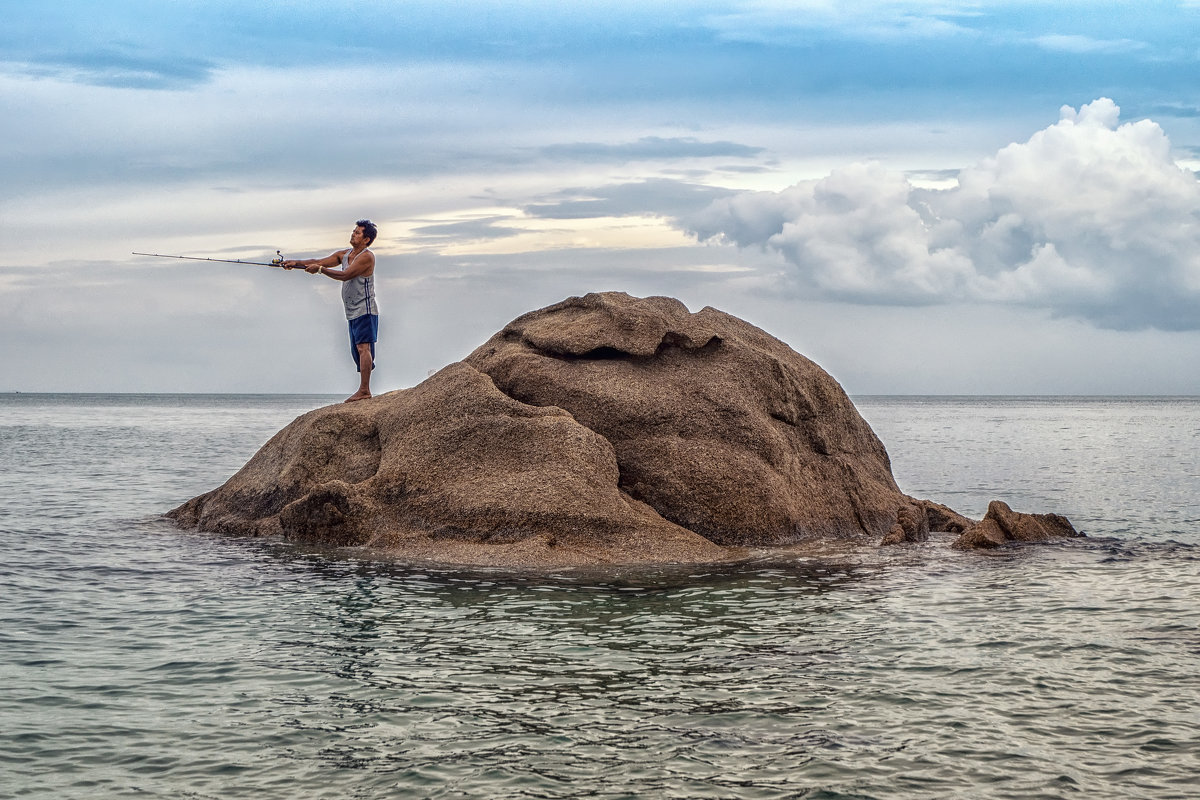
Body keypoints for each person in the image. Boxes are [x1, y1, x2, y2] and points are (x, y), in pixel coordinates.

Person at [283, 220, 379, 402]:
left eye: (358, 233)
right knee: (357, 351)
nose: (353, 234)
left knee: (363, 347)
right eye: (354, 231)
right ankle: (364, 388)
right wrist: (295, 263)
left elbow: (345, 275)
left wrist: (320, 270)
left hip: (365, 308)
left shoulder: (367, 257)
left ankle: (365, 390)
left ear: (366, 239)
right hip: (351, 310)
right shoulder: (345, 254)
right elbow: (317, 261)